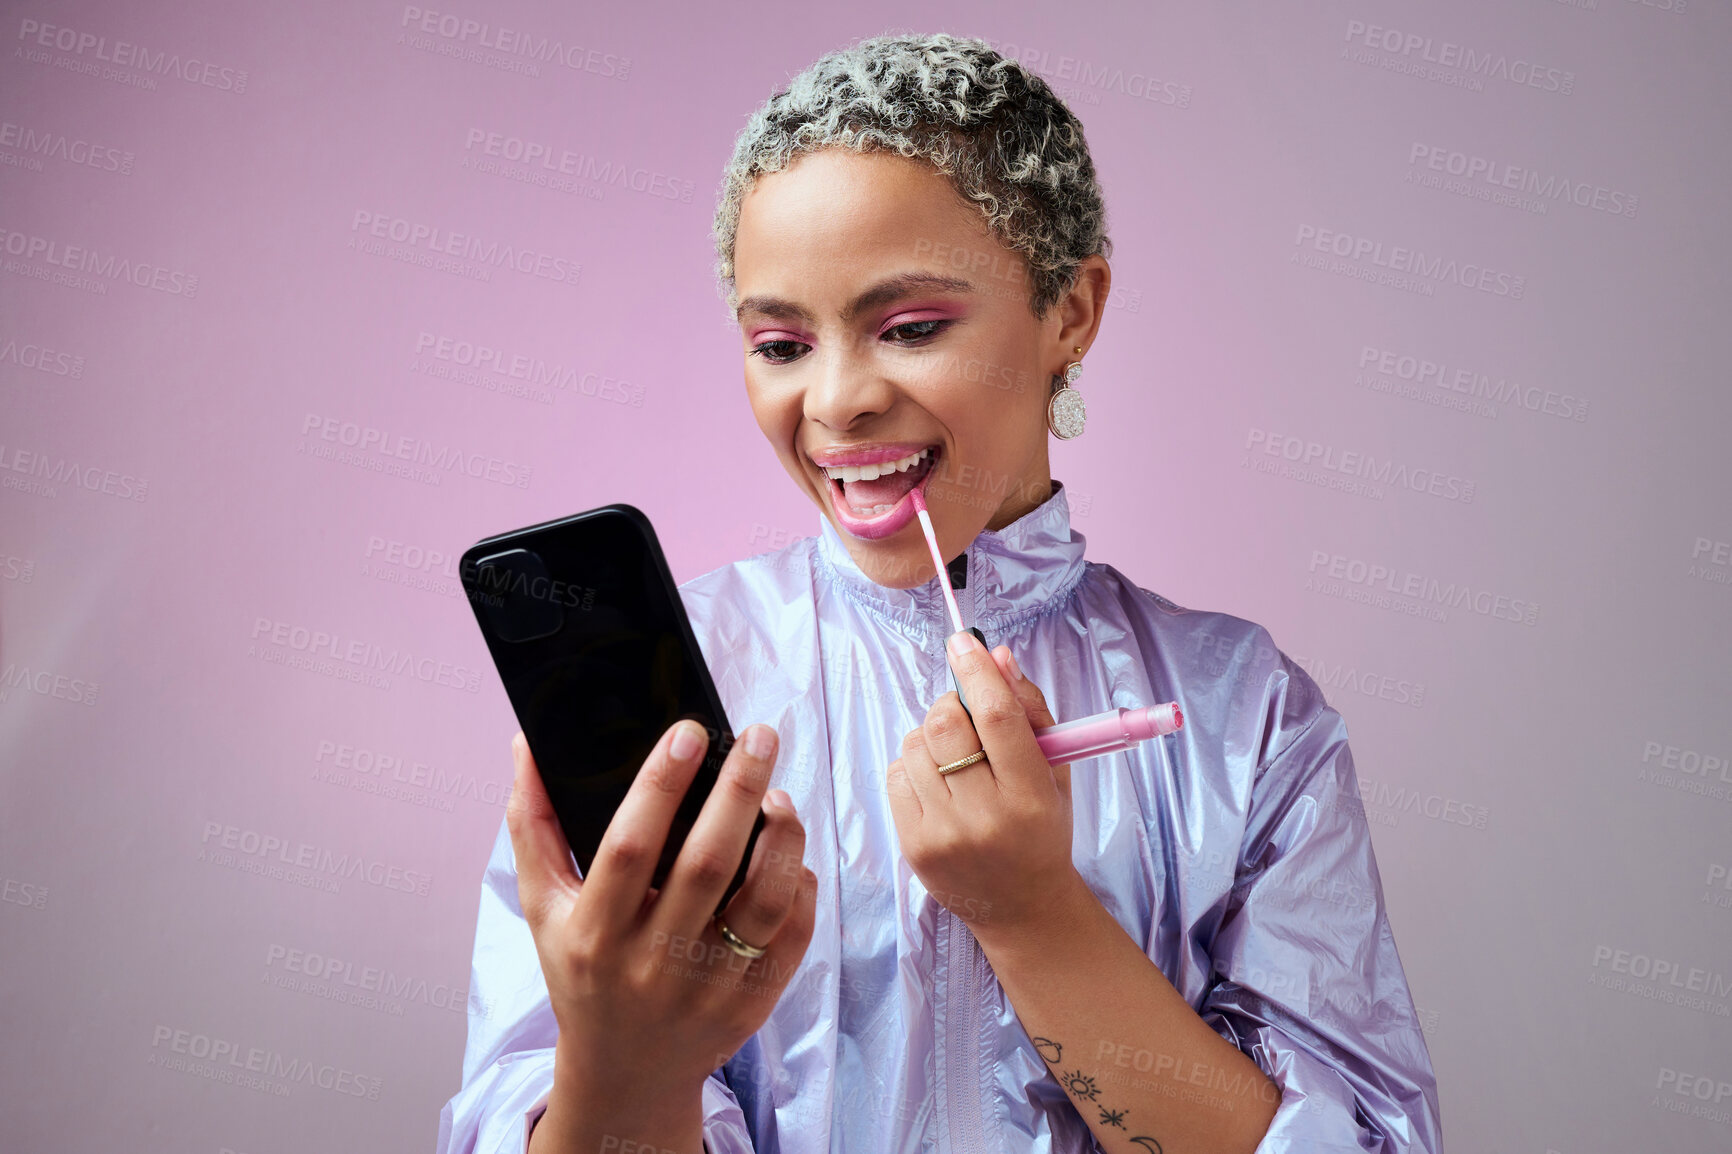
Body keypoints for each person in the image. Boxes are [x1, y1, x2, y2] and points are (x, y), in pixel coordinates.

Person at [437, 32, 1441, 1154]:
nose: (836, 400)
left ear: (1070, 310)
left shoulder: (1245, 713)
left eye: (908, 328)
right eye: (779, 342)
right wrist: (626, 1066)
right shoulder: (675, 691)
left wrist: (1035, 914)